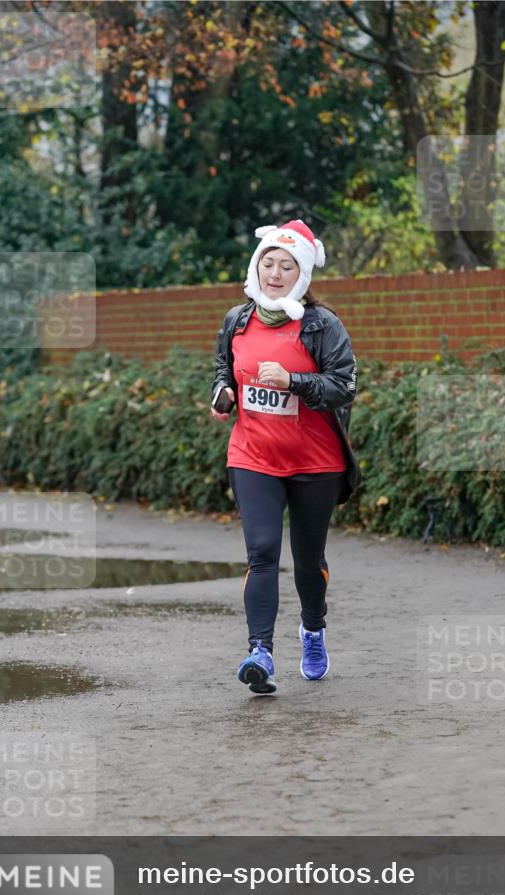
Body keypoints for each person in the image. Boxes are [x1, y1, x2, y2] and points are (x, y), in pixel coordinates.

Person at [210, 219, 360, 696]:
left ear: (303, 274)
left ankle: (313, 629)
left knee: (307, 559)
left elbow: (345, 385)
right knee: (262, 553)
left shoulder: (322, 325)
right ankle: (260, 652)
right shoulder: (237, 319)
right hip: (253, 456)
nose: (275, 273)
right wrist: (223, 393)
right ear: (257, 268)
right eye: (268, 263)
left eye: (287, 265)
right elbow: (222, 370)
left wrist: (294, 382)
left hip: (316, 463)